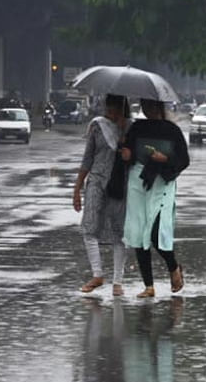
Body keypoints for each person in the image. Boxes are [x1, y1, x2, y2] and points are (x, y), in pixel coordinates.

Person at [121, 99, 190, 298]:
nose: (148, 111)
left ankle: (174, 267)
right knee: (138, 233)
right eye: (144, 107)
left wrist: (166, 159)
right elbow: (128, 153)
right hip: (138, 182)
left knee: (156, 233)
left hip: (162, 184)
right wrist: (126, 155)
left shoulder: (172, 130)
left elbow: (184, 160)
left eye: (151, 107)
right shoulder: (137, 128)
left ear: (159, 107)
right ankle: (149, 286)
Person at [73, 94, 132, 296]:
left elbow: (139, 158)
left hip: (120, 186)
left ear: (122, 108)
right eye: (108, 108)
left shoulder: (131, 128)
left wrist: (127, 147)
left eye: (115, 108)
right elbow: (88, 157)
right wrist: (77, 188)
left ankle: (118, 281)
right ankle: (97, 274)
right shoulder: (97, 126)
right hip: (96, 182)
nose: (110, 112)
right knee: (89, 228)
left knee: (119, 234)